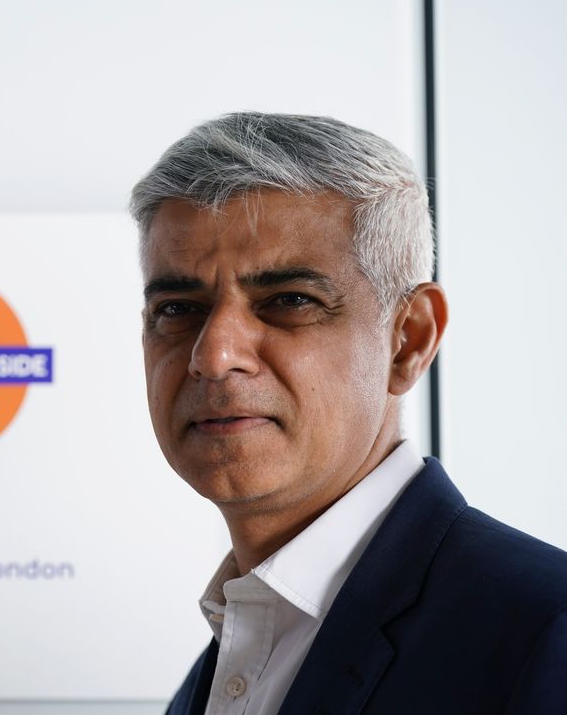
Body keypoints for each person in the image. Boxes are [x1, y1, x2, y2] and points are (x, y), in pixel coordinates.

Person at [129, 113, 567, 714]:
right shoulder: (229, 660)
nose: (214, 355)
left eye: (289, 300)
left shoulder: (547, 635)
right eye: (178, 307)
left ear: (408, 340)